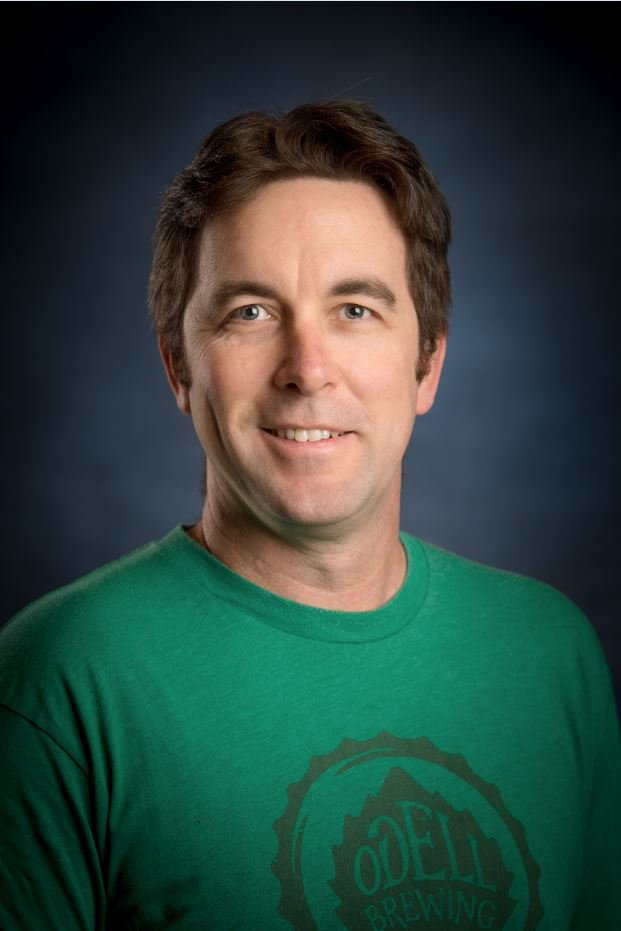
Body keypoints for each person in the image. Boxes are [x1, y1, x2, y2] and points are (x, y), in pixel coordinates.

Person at [1, 99, 619, 931]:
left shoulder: (551, 654)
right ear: (179, 365)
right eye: (249, 312)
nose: (307, 367)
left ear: (427, 362)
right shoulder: (59, 679)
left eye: (354, 309)